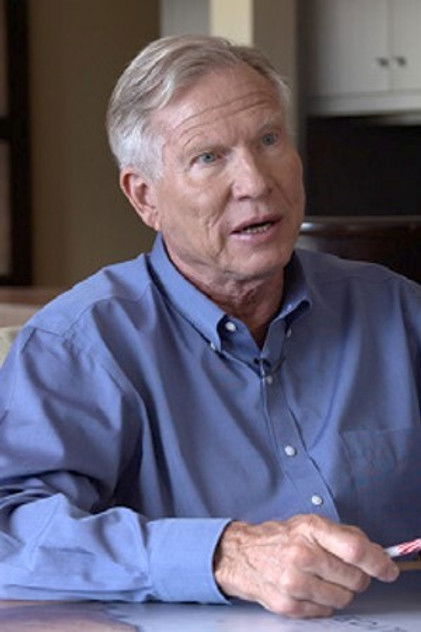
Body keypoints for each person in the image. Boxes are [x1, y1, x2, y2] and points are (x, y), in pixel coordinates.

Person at [0, 34, 419, 619]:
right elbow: (11, 533)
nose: (256, 182)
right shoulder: (79, 345)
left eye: (269, 140)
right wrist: (224, 555)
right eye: (208, 157)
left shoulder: (398, 310)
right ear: (144, 197)